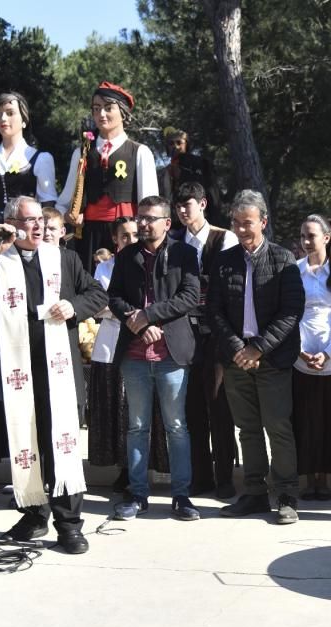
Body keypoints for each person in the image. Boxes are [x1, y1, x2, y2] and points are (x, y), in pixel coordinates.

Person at [0, 196, 107, 554]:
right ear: (10, 224)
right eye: (27, 221)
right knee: (25, 443)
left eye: (40, 220)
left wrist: (74, 306)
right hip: (17, 370)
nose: (36, 227)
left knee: (59, 444)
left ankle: (69, 525)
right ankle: (34, 514)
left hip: (58, 369)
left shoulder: (63, 258)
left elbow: (95, 293)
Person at [208, 190, 304, 524]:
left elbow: (291, 312)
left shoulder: (283, 260)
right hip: (237, 360)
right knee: (247, 429)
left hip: (272, 359)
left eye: (247, 223)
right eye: (235, 223)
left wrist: (259, 348)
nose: (241, 229)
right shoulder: (224, 261)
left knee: (278, 427)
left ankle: (286, 494)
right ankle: (254, 493)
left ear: (263, 222)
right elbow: (214, 311)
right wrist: (238, 349)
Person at [108, 196, 201, 520]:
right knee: (136, 427)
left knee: (177, 427)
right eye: (141, 217)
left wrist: (147, 315)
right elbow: (114, 297)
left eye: (151, 218)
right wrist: (135, 322)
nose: (144, 223)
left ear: (167, 223)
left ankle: (182, 496)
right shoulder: (127, 255)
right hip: (134, 356)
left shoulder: (185, 254)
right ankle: (137, 494)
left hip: (172, 355)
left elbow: (189, 297)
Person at [86, 219, 170, 489]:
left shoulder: (149, 263)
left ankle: (146, 465)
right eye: (125, 236)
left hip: (146, 344)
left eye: (135, 234)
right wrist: (130, 313)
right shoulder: (104, 267)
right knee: (117, 411)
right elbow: (98, 306)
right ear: (115, 239)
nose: (130, 239)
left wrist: (124, 311)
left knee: (138, 411)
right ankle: (124, 467)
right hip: (112, 345)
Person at [171, 181, 239, 498]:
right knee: (192, 409)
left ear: (203, 204)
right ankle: (201, 477)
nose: (184, 210)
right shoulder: (174, 242)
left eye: (189, 204)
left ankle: (225, 476)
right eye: (179, 205)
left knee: (219, 408)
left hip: (216, 336)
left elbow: (228, 286)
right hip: (185, 335)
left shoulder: (224, 239)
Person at [57, 81, 159, 270]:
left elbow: (150, 204)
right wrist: (68, 216)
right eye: (96, 109)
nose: (101, 114)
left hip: (127, 235)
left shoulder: (140, 152)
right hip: (89, 236)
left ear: (123, 112)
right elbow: (66, 200)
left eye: (108, 108)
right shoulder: (82, 152)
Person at [292, 214, 331, 500]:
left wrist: (329, 352)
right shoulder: (293, 271)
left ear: (326, 238)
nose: (306, 242)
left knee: (330, 417)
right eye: (303, 236)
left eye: (312, 236)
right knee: (305, 418)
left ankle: (325, 478)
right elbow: (289, 316)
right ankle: (308, 478)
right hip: (300, 355)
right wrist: (301, 350)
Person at [0, 92, 57, 230]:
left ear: (24, 120)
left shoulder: (41, 158)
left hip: (25, 228)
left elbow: (48, 204)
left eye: (10, 113)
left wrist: (45, 234)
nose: (3, 118)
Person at [158, 127, 221, 225]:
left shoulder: (200, 163)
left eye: (179, 143)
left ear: (187, 144)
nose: (175, 146)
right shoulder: (164, 171)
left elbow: (212, 194)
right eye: (171, 143)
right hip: (174, 221)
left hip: (198, 218)